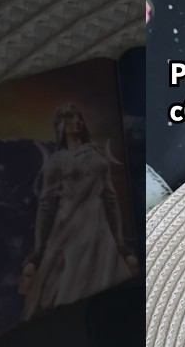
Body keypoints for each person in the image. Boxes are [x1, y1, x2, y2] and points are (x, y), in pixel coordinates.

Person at [19, 103, 138, 318]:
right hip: (67, 230)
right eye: (70, 118)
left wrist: (119, 242)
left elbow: (110, 199)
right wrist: (39, 249)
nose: (76, 122)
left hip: (98, 230)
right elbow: (46, 205)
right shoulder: (56, 161)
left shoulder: (97, 156)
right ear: (61, 125)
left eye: (78, 117)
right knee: (69, 288)